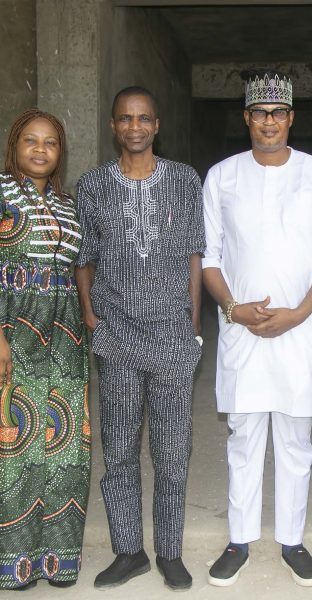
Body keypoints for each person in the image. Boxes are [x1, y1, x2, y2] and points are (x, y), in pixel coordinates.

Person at [202, 68, 312, 587]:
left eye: (278, 113)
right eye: (259, 113)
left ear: (291, 118)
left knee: (294, 441)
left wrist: (300, 313)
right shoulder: (222, 175)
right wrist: (232, 307)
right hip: (241, 328)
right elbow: (210, 257)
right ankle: (239, 540)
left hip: (299, 331)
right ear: (246, 118)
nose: (269, 122)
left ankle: (292, 541)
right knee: (243, 439)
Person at [75, 86, 204, 591]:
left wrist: (193, 328)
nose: (135, 127)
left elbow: (195, 254)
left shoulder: (185, 181)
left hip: (173, 335)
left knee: (173, 451)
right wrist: (93, 319)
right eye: (125, 119)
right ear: (113, 126)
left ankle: (169, 551)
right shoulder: (92, 186)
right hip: (118, 336)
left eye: (144, 118)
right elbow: (84, 258)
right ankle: (129, 551)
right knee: (121, 450)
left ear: (156, 125)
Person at [0, 109, 89, 590]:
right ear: (15, 145)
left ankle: (57, 559)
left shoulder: (67, 204)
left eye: (50, 143)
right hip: (14, 333)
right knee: (14, 450)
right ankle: (14, 563)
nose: (40, 150)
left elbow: (79, 272)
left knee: (64, 448)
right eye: (30, 141)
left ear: (60, 153)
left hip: (65, 338)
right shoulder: (1, 195)